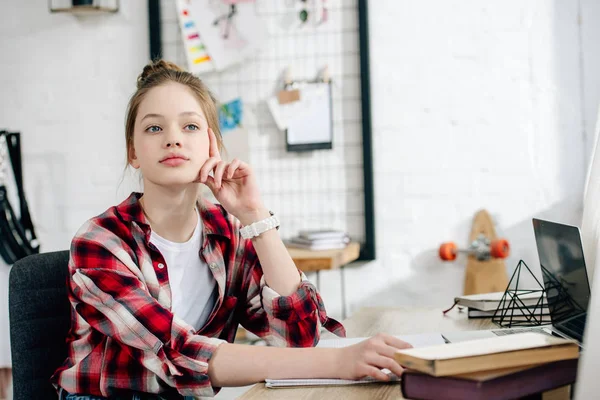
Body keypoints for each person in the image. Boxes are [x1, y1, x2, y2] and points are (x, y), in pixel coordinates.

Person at [51, 60, 411, 399]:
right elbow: (179, 351)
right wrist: (339, 362)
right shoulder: (99, 243)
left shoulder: (227, 233)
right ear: (134, 152)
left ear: (212, 145)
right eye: (154, 127)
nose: (173, 139)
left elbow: (299, 337)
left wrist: (255, 217)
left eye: (190, 126)